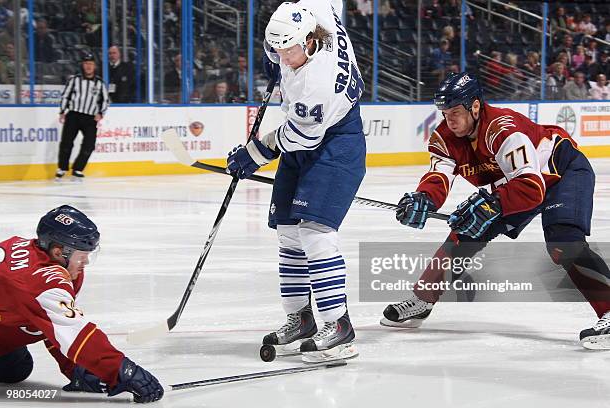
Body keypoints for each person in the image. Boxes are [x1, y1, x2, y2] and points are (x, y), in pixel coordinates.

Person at [380, 72, 610, 350]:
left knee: (564, 244)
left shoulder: (503, 129)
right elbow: (439, 175)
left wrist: (492, 202)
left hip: (560, 172)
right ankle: (422, 300)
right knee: (464, 233)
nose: (449, 120)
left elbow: (530, 187)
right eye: (444, 112)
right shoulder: (445, 136)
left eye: (455, 112)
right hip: (517, 180)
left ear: (475, 106)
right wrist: (424, 199)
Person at [227, 0, 365, 362]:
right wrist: (277, 53)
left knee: (315, 232)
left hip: (336, 143)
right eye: (277, 50)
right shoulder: (313, 13)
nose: (283, 58)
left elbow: (297, 137)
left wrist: (253, 154)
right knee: (288, 232)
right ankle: (300, 319)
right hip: (308, 137)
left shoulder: (318, 84)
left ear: (308, 42)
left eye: (288, 51)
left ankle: (338, 324)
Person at [0, 205, 163, 403]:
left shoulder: (36, 254)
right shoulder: (40, 282)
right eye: (82, 254)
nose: (85, 261)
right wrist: (124, 371)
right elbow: (74, 332)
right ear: (59, 251)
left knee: (16, 367)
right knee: (14, 367)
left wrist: (76, 368)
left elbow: (53, 325)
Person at [56, 52, 108, 181]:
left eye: (90, 64)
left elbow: (105, 100)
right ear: (82, 65)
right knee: (66, 143)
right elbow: (65, 96)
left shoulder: (100, 83)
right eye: (86, 64)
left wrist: (101, 113)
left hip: (90, 118)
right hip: (73, 115)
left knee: (89, 144)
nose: (88, 66)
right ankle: (62, 168)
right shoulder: (74, 80)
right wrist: (62, 111)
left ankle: (78, 169)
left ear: (94, 66)